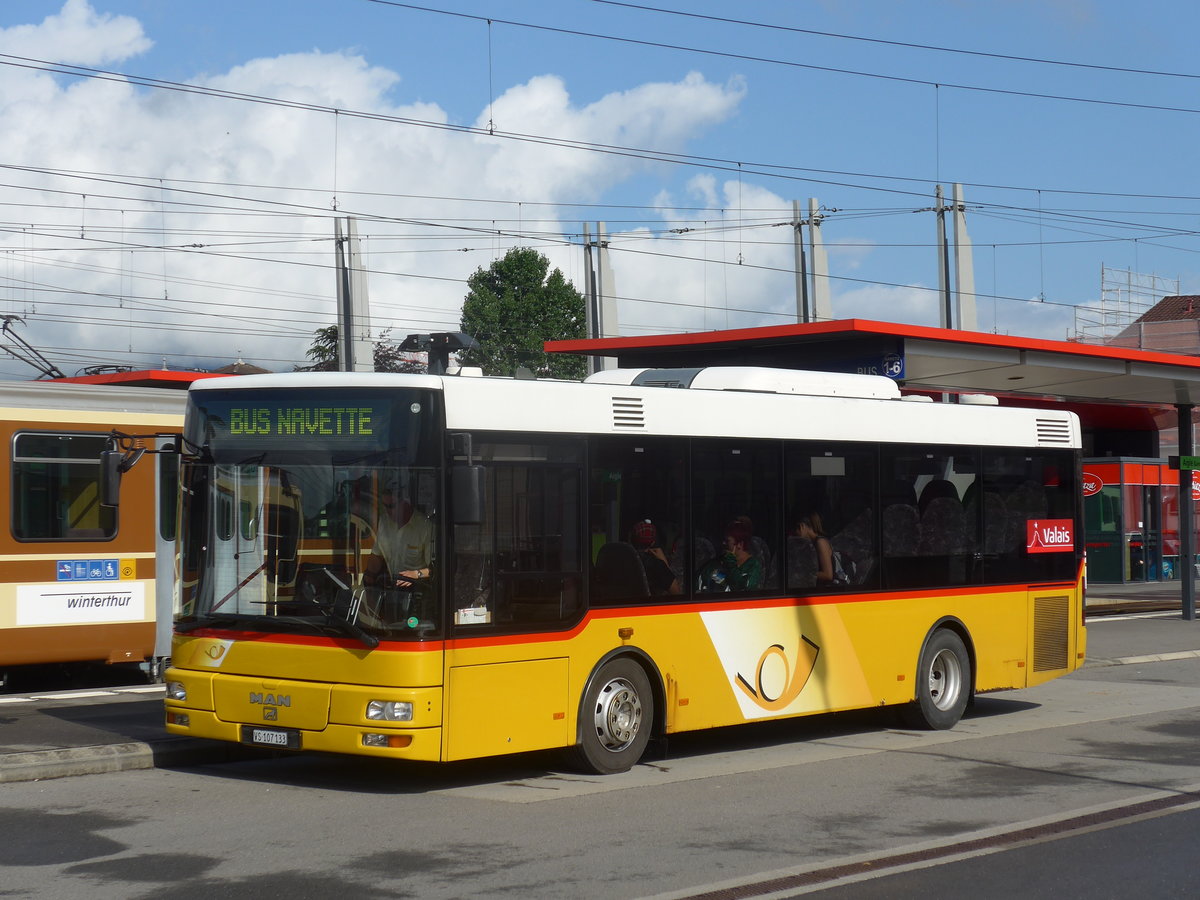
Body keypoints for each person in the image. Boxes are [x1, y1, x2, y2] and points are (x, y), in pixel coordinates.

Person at [362, 483, 433, 588]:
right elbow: (377, 555)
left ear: (405, 503)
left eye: (392, 506)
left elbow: (435, 570)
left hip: (418, 588)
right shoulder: (384, 521)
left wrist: (416, 574)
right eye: (384, 506)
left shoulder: (425, 527)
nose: (387, 511)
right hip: (392, 587)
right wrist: (369, 576)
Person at [701, 519, 764, 591]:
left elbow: (743, 589)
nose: (724, 543)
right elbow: (711, 577)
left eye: (727, 541)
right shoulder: (720, 561)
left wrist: (732, 566)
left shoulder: (753, 566)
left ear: (740, 544)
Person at [631, 519, 680, 595]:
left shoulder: (624, 561)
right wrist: (663, 562)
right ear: (653, 542)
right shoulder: (656, 565)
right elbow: (676, 592)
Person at [794, 511, 837, 585]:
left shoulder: (820, 542)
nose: (796, 534)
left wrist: (804, 573)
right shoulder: (812, 543)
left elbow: (828, 575)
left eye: (796, 530)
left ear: (802, 526)